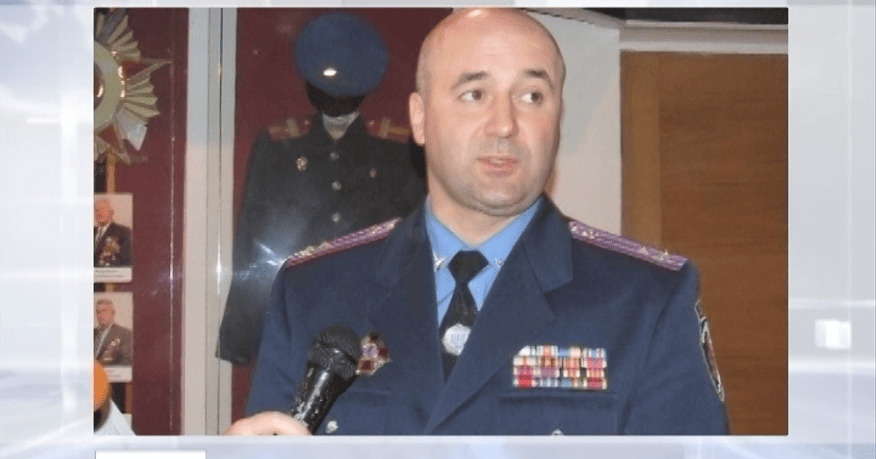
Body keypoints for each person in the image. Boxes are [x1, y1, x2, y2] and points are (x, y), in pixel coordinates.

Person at [226, 8, 727, 436]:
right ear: (419, 118)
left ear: (558, 118)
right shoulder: (312, 292)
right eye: (474, 94)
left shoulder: (646, 300)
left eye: (532, 96)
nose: (505, 124)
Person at [217, 12, 425, 364]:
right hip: (298, 315)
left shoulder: (395, 150)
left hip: (373, 321)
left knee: (371, 392)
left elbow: (416, 241)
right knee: (295, 394)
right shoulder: (279, 146)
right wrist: (242, 330)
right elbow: (253, 239)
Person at [94, 198, 132, 268]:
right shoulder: (90, 232)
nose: (99, 213)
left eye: (103, 209)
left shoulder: (124, 232)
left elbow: (127, 260)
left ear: (111, 212)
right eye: (96, 210)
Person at [94, 299, 133, 366]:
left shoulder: (125, 334)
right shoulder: (93, 333)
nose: (100, 315)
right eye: (98, 312)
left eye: (104, 311)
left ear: (113, 313)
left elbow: (127, 363)